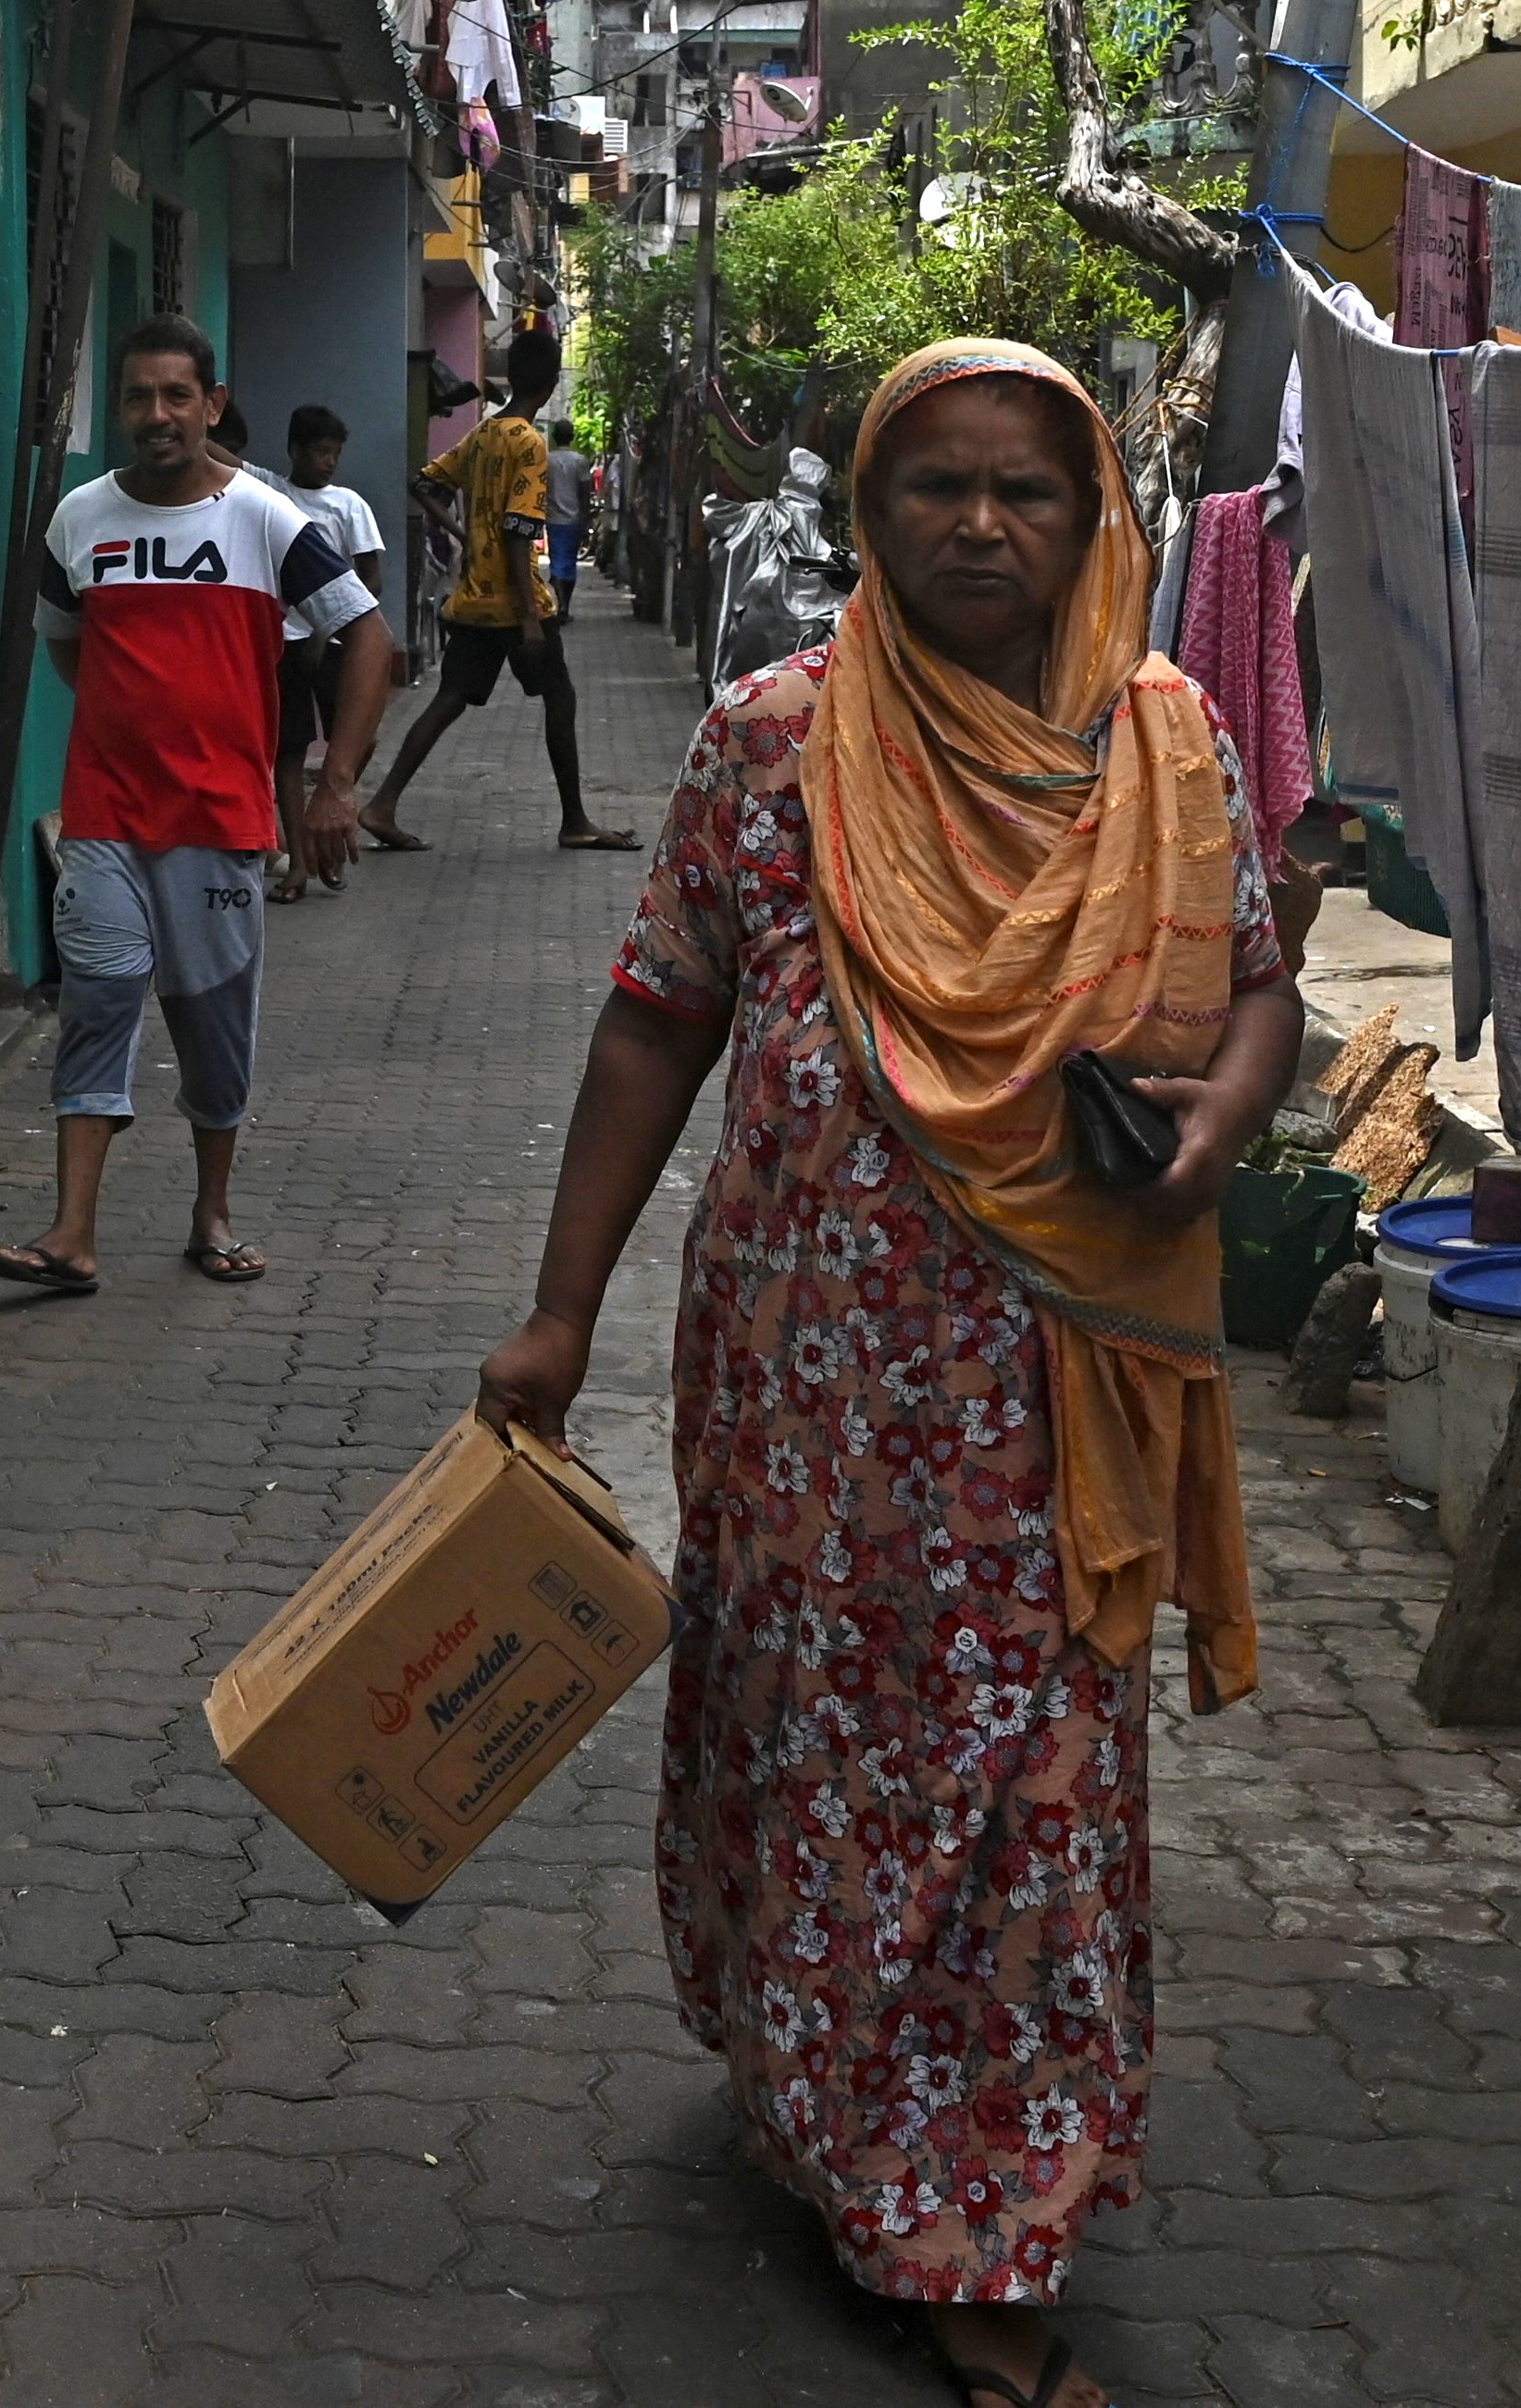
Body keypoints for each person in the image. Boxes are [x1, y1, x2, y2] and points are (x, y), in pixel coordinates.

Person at [471, 340, 1303, 2408]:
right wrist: (560, 1311)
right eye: (935, 485)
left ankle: (978, 2223)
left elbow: (1265, 991)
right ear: (872, 507)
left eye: (1024, 488)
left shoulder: (1165, 747)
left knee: (1022, 1774)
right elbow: (659, 1018)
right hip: (807, 1370)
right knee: (810, 1732)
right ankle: (823, 2102)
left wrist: (1222, 1125)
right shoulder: (777, 741)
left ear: (1090, 506)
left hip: (1056, 1380)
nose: (981, 525)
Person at [0, 317, 395, 1296]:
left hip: (218, 824)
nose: (156, 415)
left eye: (177, 397)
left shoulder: (265, 521)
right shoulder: (80, 519)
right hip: (106, 819)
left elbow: (369, 639)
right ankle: (71, 1234)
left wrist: (336, 786)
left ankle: (212, 1213)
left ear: (211, 405)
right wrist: (137, 721)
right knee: (99, 1002)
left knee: (211, 1029)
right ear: (119, 407)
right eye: (138, 397)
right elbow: (66, 640)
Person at [356, 339, 639, 855]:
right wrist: (530, 617)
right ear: (552, 381)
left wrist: (467, 538)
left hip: (474, 599)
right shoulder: (529, 442)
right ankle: (574, 820)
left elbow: (423, 484)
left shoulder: (483, 433)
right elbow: (517, 529)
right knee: (560, 697)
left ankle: (382, 804)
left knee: (449, 700)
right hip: (518, 598)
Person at [268, 403, 390, 903]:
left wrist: (328, 627)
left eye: (336, 453)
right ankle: (298, 861)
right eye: (320, 451)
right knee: (289, 751)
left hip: (337, 643)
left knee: (360, 738)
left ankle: (328, 833)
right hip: (284, 642)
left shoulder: (349, 505)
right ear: (295, 450)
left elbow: (371, 578)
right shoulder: (271, 493)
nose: (329, 462)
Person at [542, 416, 592, 605]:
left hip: (553, 519)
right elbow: (585, 492)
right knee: (570, 563)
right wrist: (585, 517)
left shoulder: (547, 460)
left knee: (557, 560)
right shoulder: (580, 461)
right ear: (572, 436)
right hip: (574, 519)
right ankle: (565, 604)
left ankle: (560, 600)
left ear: (554, 437)